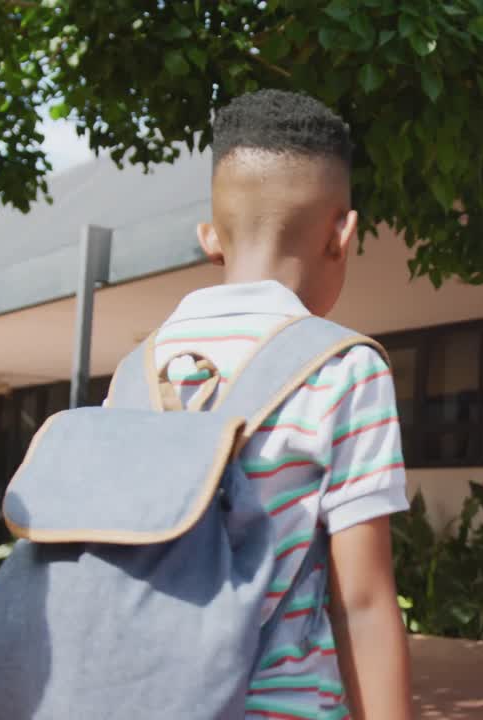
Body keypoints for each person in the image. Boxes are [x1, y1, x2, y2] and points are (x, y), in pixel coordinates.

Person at [155, 89, 412, 719]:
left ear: (210, 238)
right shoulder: (345, 370)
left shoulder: (143, 369)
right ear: (343, 232)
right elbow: (363, 601)